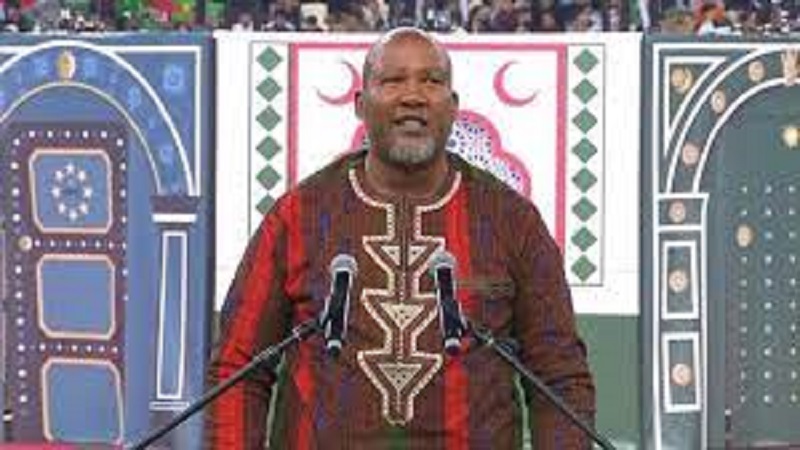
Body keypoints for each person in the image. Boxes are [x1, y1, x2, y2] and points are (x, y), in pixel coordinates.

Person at [205, 27, 595, 449]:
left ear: (453, 107)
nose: (413, 96)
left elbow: (559, 377)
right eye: (392, 81)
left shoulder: (512, 220)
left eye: (432, 81)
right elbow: (237, 367)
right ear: (360, 104)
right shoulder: (299, 214)